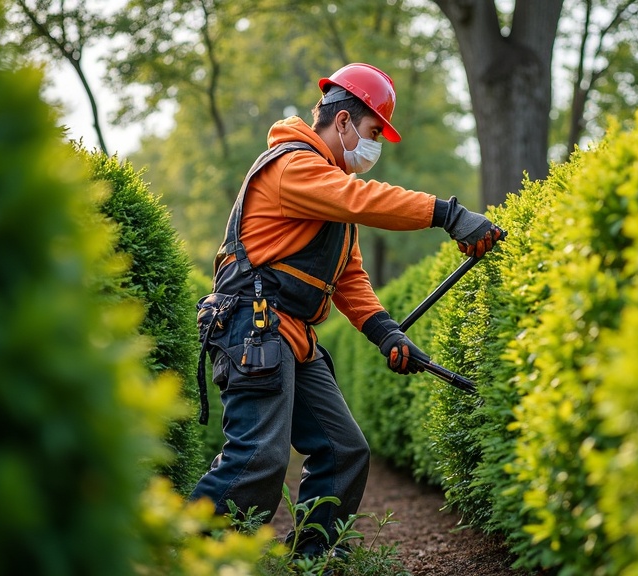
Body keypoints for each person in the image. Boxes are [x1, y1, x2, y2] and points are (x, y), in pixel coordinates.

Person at [189, 62, 503, 558]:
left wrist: (388, 335)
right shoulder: (292, 167)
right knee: (257, 461)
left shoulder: (328, 194)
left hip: (291, 336)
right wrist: (448, 214)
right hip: (254, 328)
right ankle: (182, 554)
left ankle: (312, 559)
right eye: (374, 131)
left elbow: (349, 279)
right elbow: (359, 199)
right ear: (343, 122)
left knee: (343, 450)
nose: (374, 145)